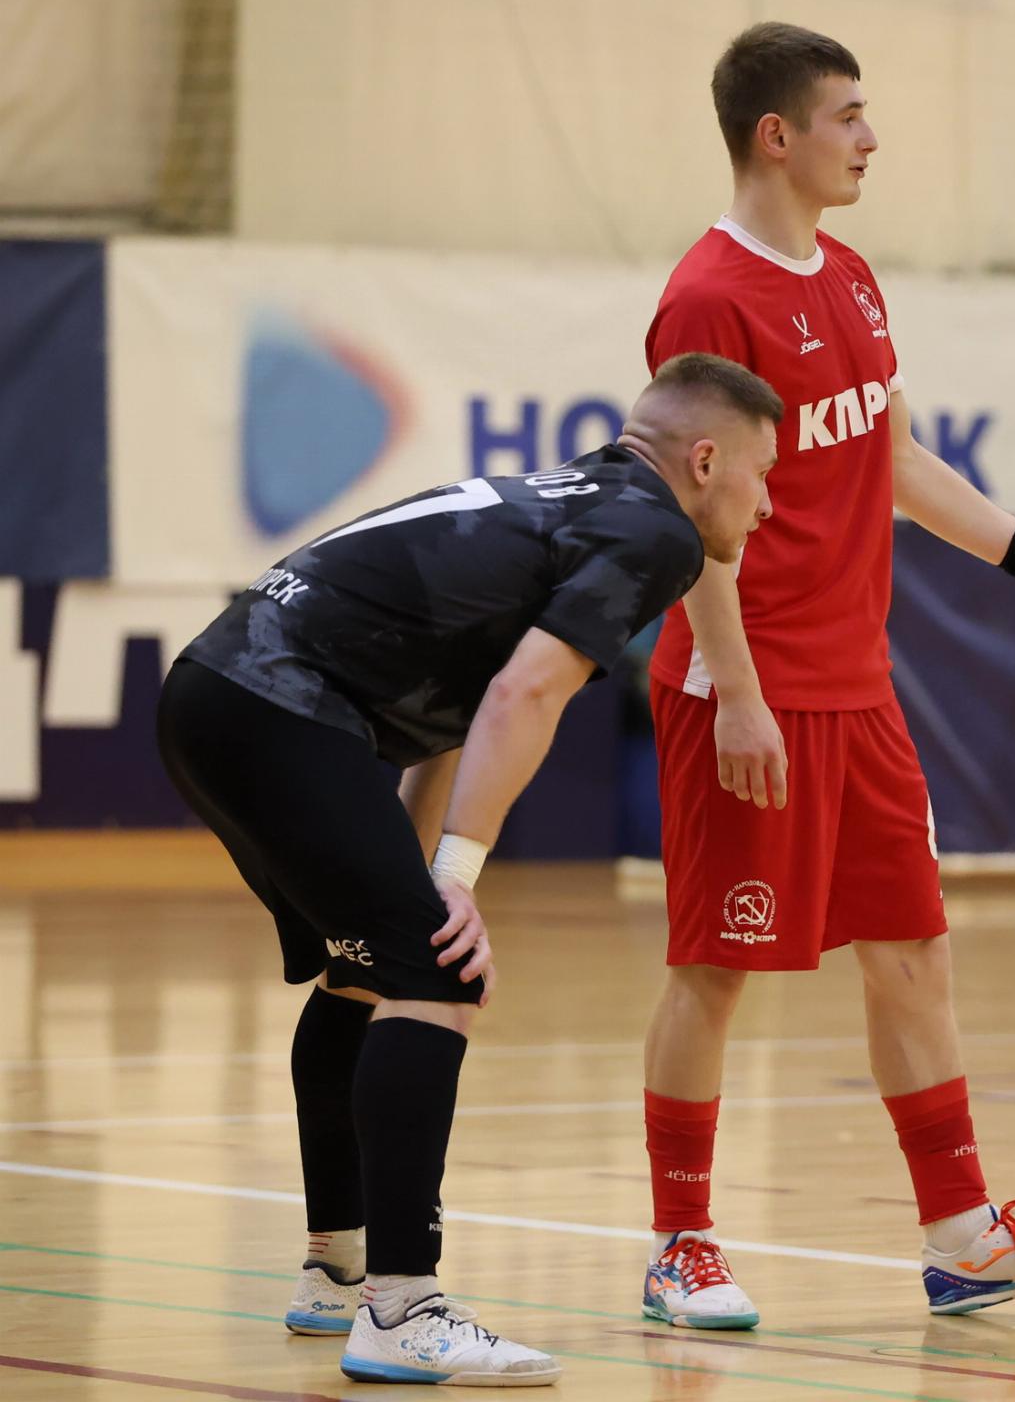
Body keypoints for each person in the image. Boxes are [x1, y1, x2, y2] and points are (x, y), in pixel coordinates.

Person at [637, 23, 1015, 1329]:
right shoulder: (708, 298)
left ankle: (964, 1237)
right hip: (747, 687)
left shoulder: (854, 279)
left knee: (913, 952)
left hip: (857, 688)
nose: (871, 139)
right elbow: (687, 519)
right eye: (849, 116)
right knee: (715, 967)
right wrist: (736, 689)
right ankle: (681, 1243)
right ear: (778, 136)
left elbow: (898, 462)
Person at [156, 353, 781, 1385]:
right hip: (279, 707)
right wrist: (455, 879)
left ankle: (337, 1272)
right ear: (706, 461)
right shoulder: (656, 532)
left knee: (369, 969)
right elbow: (523, 698)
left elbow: (451, 712)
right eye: (764, 475)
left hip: (214, 694)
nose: (768, 507)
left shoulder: (564, 500)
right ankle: (404, 1310)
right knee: (438, 973)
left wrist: (423, 878)